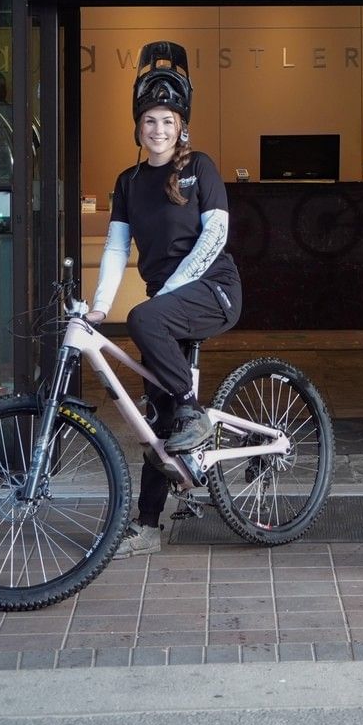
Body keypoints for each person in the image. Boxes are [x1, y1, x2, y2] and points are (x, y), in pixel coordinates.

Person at [85, 41, 242, 556]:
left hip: (213, 292)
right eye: (150, 120)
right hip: (166, 312)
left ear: (181, 126)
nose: (158, 130)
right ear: (138, 125)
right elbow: (114, 248)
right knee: (156, 416)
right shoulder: (129, 182)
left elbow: (215, 235)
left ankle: (193, 413)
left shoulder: (202, 168)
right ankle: (149, 525)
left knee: (146, 322)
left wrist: (166, 295)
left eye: (168, 121)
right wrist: (99, 307)